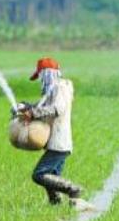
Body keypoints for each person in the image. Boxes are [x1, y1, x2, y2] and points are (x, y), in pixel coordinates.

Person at [21, 56, 83, 205]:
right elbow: (42, 106)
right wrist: (26, 107)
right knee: (52, 177)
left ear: (47, 74)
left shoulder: (60, 88)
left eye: (40, 75)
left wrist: (33, 113)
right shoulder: (51, 91)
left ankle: (73, 189)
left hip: (59, 142)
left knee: (39, 174)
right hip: (55, 142)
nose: (40, 80)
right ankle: (56, 205)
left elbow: (57, 108)